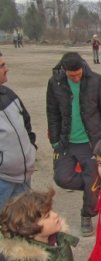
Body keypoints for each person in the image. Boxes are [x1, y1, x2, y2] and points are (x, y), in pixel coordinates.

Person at [46, 52, 101, 236]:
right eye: (72, 76)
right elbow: (52, 113)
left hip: (93, 142)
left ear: (83, 68)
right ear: (64, 71)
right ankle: (94, 185)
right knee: (62, 178)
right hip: (66, 143)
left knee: (93, 187)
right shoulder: (55, 83)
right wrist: (55, 140)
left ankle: (86, 215)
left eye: (78, 74)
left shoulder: (96, 80)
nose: (76, 78)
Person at [0, 51, 37, 210]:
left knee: (23, 226)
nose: (6, 69)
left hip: (24, 178)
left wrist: (31, 150)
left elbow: (26, 124)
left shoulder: (9, 95)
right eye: (2, 66)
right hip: (3, 181)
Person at [0, 189, 79, 260]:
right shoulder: (29, 258)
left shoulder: (60, 238)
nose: (55, 215)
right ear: (29, 228)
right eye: (47, 216)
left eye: (51, 210)